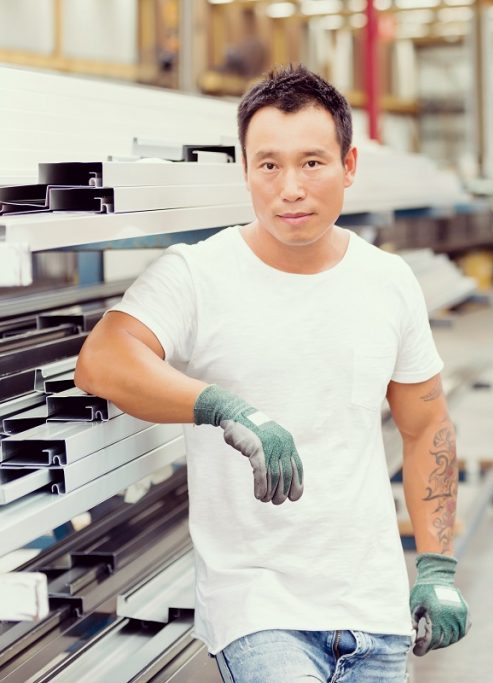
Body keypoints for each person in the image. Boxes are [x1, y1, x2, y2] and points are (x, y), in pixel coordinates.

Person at [74, 64, 470, 682]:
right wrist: (224, 407)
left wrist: (438, 568)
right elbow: (103, 360)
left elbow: (427, 428)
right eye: (269, 165)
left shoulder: (388, 281)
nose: (290, 187)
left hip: (372, 598)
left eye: (312, 162)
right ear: (246, 170)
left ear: (350, 165)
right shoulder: (196, 275)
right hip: (256, 604)